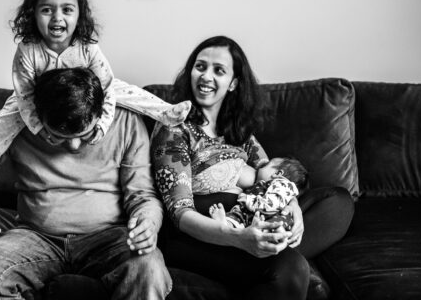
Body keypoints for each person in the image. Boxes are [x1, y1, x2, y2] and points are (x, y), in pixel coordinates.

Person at [0, 67, 172, 300]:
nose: (74, 146)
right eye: (58, 136)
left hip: (109, 237)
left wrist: (148, 222)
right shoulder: (13, 121)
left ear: (102, 112)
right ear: (36, 117)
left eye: (87, 135)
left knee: (149, 270)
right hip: (35, 236)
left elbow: (143, 195)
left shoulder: (125, 119)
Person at [151, 35, 354, 300]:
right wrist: (239, 239)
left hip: (254, 215)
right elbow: (180, 214)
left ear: (233, 83)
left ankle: (266, 252)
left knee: (338, 201)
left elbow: (270, 173)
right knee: (291, 268)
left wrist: (292, 208)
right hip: (201, 233)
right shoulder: (174, 127)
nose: (206, 76)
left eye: (219, 70)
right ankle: (270, 259)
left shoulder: (237, 130)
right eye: (200, 66)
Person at [0, 0, 190, 178]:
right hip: (41, 97)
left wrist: (101, 125)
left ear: (79, 15)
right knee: (9, 112)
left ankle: (164, 111)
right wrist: (40, 128)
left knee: (124, 90)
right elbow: (24, 94)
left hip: (83, 94)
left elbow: (107, 87)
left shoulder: (87, 48)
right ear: (33, 14)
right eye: (46, 10)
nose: (57, 17)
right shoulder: (28, 50)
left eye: (67, 10)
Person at [209, 157, 308, 232]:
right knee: (237, 218)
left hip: (267, 215)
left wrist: (249, 200)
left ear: (278, 173)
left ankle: (274, 232)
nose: (259, 167)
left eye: (266, 165)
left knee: (277, 223)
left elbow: (270, 204)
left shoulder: (282, 185)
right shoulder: (265, 185)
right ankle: (225, 224)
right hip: (252, 216)